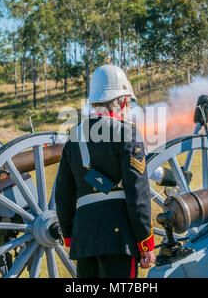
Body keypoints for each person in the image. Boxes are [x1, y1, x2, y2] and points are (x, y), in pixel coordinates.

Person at [55, 64, 156, 278]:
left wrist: (69, 235)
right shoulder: (128, 133)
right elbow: (137, 193)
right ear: (124, 101)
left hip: (84, 237)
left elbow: (63, 193)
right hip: (118, 238)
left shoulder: (74, 137)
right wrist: (145, 241)